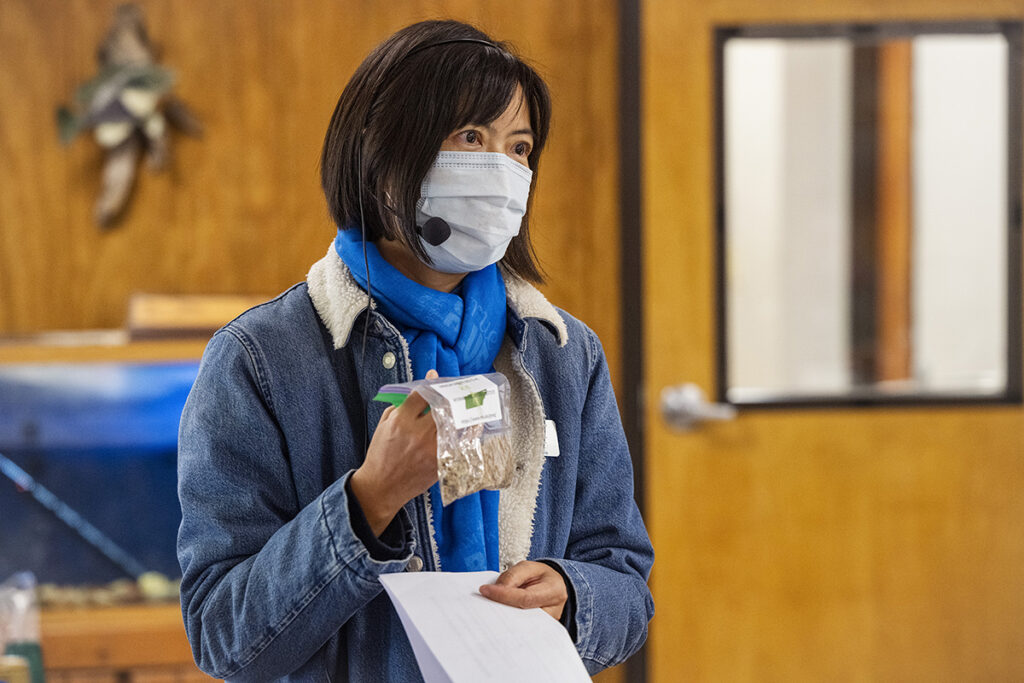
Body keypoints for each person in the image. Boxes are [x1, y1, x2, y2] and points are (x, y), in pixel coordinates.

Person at [176, 19, 654, 681]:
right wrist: (368, 502)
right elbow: (223, 636)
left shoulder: (564, 355)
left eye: (520, 147)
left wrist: (574, 595)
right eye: (470, 137)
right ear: (384, 153)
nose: (502, 169)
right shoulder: (258, 359)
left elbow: (626, 581)